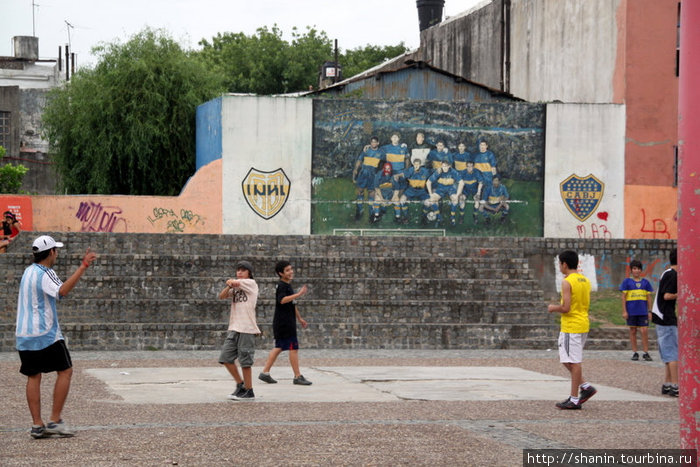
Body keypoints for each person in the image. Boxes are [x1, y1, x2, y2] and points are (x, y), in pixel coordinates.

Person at [16, 235, 97, 438]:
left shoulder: (28, 271)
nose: (57, 254)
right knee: (65, 370)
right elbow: (62, 291)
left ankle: (37, 425)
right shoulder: (46, 273)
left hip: (24, 334)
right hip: (45, 333)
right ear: (51, 252)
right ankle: (55, 420)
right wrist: (83, 267)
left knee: (33, 376)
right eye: (56, 250)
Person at [548, 250, 597, 410]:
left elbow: (566, 307)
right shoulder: (585, 280)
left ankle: (574, 398)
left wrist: (553, 308)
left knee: (574, 362)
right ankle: (585, 386)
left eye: (560, 263)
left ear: (564, 264)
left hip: (572, 326)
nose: (559, 267)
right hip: (582, 323)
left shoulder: (567, 282)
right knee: (567, 359)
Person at [259, 260, 313, 386]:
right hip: (284, 323)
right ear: (280, 273)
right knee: (293, 347)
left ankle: (265, 372)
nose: (291, 272)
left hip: (286, 322)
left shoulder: (287, 285)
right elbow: (282, 300)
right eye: (287, 270)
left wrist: (299, 319)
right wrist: (298, 294)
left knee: (279, 347)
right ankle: (297, 376)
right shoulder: (282, 286)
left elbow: (291, 304)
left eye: (291, 269)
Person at [218, 260, 260, 400]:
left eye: (243, 270)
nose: (240, 272)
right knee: (225, 357)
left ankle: (249, 390)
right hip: (234, 327)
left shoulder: (251, 283)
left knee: (245, 361)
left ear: (249, 273)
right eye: (238, 270)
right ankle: (240, 385)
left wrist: (231, 281)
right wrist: (229, 285)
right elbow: (222, 296)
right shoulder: (235, 286)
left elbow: (234, 282)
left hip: (247, 328)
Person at [651, 248, 678, 397]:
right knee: (673, 354)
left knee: (668, 354)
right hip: (666, 318)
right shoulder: (673, 275)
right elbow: (667, 296)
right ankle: (675, 385)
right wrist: (680, 294)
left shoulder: (666, 272)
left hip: (660, 317)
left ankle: (667, 384)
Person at [619, 260, 654, 361]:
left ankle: (646, 352)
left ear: (641, 270)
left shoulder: (645, 282)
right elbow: (623, 297)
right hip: (632, 312)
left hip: (643, 311)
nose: (636, 271)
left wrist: (650, 311)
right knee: (633, 331)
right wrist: (625, 311)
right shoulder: (627, 282)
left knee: (644, 330)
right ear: (631, 270)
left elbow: (649, 298)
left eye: (638, 269)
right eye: (634, 268)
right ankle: (635, 352)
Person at [352, 136, 384, 221]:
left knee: (371, 194)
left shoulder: (381, 152)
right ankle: (359, 211)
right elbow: (359, 160)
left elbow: (384, 163)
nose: (373, 143)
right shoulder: (366, 150)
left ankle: (371, 213)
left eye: (375, 142)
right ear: (370, 143)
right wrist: (355, 169)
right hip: (364, 173)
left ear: (378, 143)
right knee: (360, 191)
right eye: (372, 142)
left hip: (373, 175)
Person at [393, 157, 431, 224]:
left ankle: (424, 217)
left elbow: (433, 175)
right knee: (402, 201)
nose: (416, 166)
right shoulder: (410, 170)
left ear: (420, 165)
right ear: (413, 164)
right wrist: (397, 175)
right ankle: (405, 217)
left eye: (418, 164)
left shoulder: (425, 171)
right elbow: (403, 174)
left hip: (421, 191)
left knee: (428, 203)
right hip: (411, 190)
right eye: (415, 164)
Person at [426, 160, 464, 226]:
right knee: (432, 200)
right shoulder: (438, 171)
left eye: (446, 166)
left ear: (449, 166)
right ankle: (439, 217)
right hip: (441, 189)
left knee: (455, 200)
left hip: (450, 189)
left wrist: (457, 195)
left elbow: (461, 183)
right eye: (443, 166)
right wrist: (431, 194)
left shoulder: (453, 172)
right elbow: (428, 182)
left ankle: (452, 218)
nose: (444, 168)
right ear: (441, 166)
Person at [457, 160, 483, 225]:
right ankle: (461, 216)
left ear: (473, 166)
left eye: (471, 166)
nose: (469, 168)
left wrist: (478, 193)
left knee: (477, 200)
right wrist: (460, 193)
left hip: (474, 189)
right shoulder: (462, 173)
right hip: (466, 189)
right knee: (461, 200)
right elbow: (460, 184)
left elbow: (480, 183)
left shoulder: (476, 172)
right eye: (468, 166)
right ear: (466, 166)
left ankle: (475, 216)